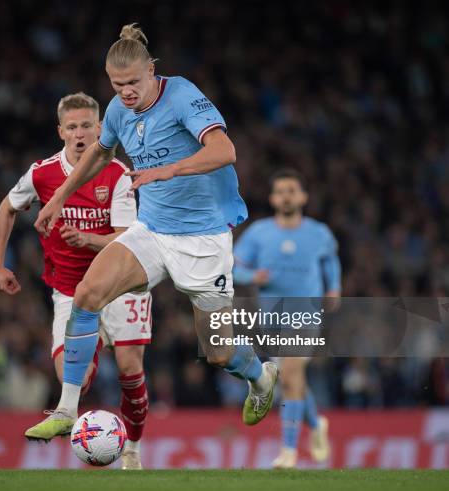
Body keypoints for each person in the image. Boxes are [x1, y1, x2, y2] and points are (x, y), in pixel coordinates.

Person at [28, 23, 278, 442]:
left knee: (219, 352)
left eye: (132, 83)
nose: (125, 92)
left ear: (152, 71)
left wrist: (168, 169)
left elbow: (224, 150)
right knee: (86, 295)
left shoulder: (181, 95)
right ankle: (67, 409)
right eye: (116, 84)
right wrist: (58, 198)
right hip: (152, 229)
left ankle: (260, 375)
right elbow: (100, 153)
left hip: (202, 237)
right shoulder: (117, 109)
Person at [0, 92, 151, 469]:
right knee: (72, 379)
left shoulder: (116, 173)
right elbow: (6, 207)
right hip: (69, 288)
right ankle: (68, 413)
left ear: (100, 128)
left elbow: (127, 236)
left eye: (86, 126)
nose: (80, 134)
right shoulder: (41, 173)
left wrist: (89, 240)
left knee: (129, 368)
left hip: (120, 284)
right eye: (72, 127)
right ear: (60, 130)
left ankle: (132, 449)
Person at [233, 168, 341, 469]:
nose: (286, 196)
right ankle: (317, 425)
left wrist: (334, 287)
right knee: (293, 381)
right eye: (281, 191)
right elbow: (232, 266)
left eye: (292, 190)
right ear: (272, 198)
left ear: (303, 196)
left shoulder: (319, 232)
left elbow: (330, 261)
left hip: (307, 314)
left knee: (291, 372)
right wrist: (252, 275)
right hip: (273, 320)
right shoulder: (259, 232)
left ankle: (289, 452)